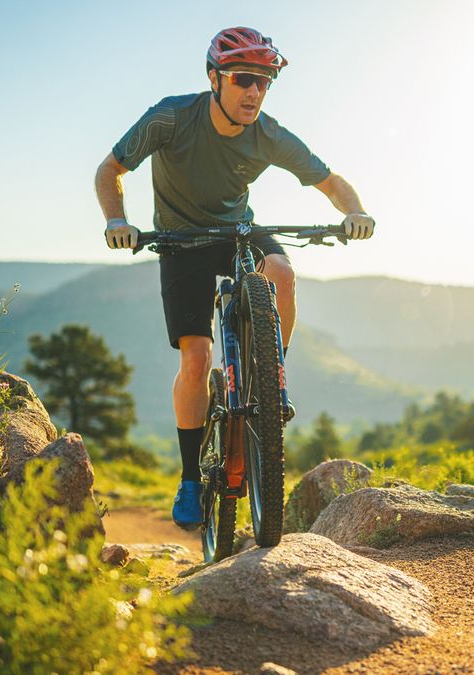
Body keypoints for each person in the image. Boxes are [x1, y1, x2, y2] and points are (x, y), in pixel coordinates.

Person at [93, 27, 375, 528]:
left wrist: (355, 211)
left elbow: (331, 182)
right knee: (197, 357)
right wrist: (117, 220)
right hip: (181, 241)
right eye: (244, 79)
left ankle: (271, 378)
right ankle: (188, 477)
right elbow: (111, 168)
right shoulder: (171, 117)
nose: (254, 92)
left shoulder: (268, 133)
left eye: (264, 82)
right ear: (214, 78)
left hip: (237, 231)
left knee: (282, 272)